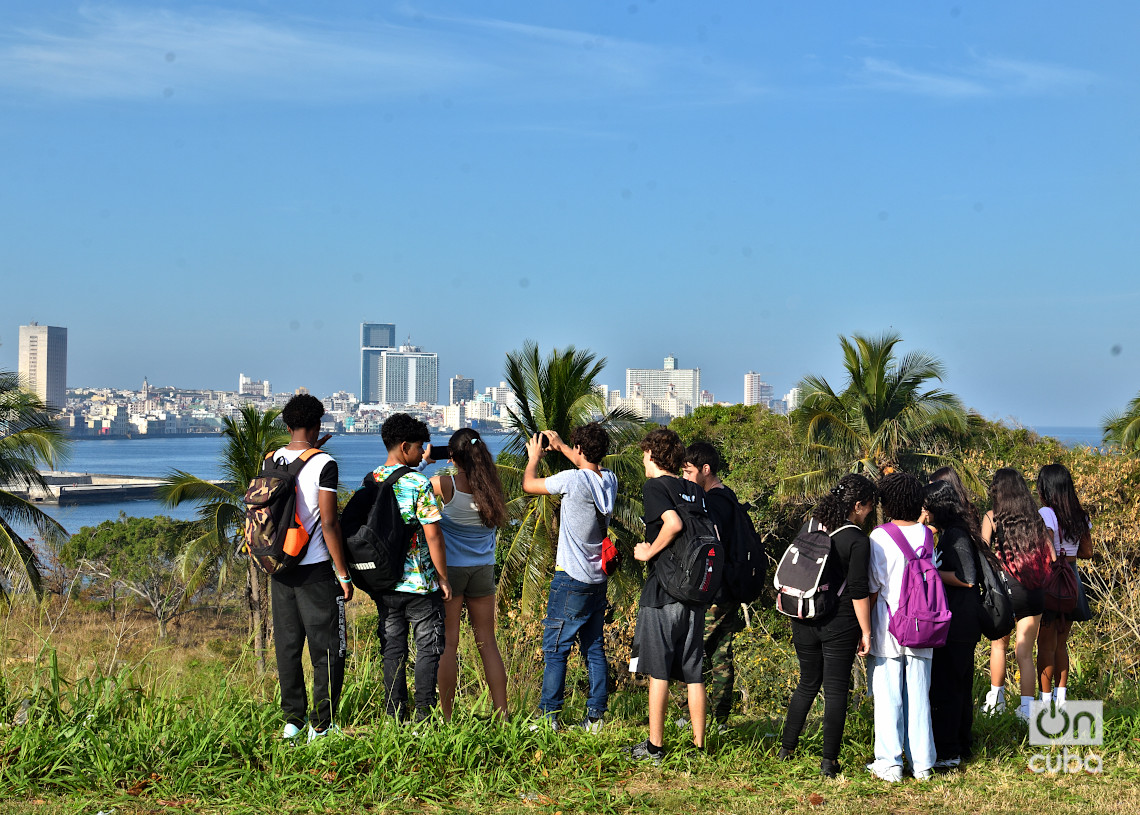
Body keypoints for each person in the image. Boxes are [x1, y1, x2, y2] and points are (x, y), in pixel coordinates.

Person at [779, 473, 877, 778]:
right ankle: (828, 762)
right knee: (836, 690)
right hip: (841, 620)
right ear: (858, 505)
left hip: (803, 615)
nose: (871, 513)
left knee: (807, 683)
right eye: (869, 507)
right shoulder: (857, 540)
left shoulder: (810, 526)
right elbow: (859, 590)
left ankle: (786, 749)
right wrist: (867, 632)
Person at [522, 422, 617, 731]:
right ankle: (596, 717)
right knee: (594, 648)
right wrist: (562, 444)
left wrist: (534, 456)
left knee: (555, 649)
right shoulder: (609, 481)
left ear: (579, 450)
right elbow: (585, 464)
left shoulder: (571, 480)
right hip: (597, 581)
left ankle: (549, 718)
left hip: (570, 579)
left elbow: (529, 484)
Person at [270, 394, 354, 741]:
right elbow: (330, 523)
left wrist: (309, 449)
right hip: (316, 568)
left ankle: (293, 721)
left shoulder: (272, 458)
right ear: (319, 424)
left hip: (279, 567)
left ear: (287, 426)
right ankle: (323, 724)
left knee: (288, 646)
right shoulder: (325, 464)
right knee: (329, 648)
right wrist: (344, 574)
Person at [628, 428, 710, 762]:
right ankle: (698, 747)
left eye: (644, 454)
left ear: (652, 454)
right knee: (693, 670)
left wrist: (649, 552)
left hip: (664, 590)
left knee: (658, 669)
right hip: (695, 590)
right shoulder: (694, 488)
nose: (643, 460)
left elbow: (672, 523)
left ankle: (655, 746)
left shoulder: (655, 486)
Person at [372, 413, 452, 722]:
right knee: (427, 648)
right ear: (405, 446)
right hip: (419, 584)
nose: (423, 453)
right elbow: (433, 536)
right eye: (419, 447)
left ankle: (395, 717)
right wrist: (442, 578)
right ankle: (424, 717)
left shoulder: (373, 478)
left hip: (385, 582)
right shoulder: (418, 483)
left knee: (393, 650)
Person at [429, 428, 509, 720]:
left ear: (453, 457)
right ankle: (502, 714)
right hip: (483, 570)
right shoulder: (493, 488)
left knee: (449, 643)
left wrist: (426, 459)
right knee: (487, 642)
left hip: (451, 572)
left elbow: (412, 485)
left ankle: (448, 717)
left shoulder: (445, 484)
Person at [866, 471, 936, 782]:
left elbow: (873, 586)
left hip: (888, 624)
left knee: (888, 694)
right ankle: (922, 764)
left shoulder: (880, 537)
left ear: (888, 503)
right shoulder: (927, 535)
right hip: (923, 623)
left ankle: (890, 763)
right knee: (920, 694)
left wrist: (863, 630)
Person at [981, 468, 1055, 720]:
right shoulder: (1035, 519)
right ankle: (1026, 710)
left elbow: (983, 554)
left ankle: (997, 701)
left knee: (998, 646)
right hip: (1033, 590)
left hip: (1006, 590)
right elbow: (1052, 556)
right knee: (1025, 652)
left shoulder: (992, 518)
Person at [681, 442, 744, 731]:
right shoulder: (728, 497)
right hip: (730, 586)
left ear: (705, 470)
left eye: (689, 471)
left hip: (713, 589)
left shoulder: (713, 503)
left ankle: (690, 717)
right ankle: (720, 719)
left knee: (692, 651)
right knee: (721, 653)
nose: (685, 478)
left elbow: (710, 547)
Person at [922, 477, 984, 772]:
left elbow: (967, 578)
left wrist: (933, 571)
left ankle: (949, 751)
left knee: (949, 688)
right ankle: (962, 744)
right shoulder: (955, 532)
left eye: (928, 507)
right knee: (958, 686)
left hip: (959, 622)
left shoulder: (956, 536)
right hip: (962, 622)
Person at [1035, 463, 1091, 708]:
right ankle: (1062, 699)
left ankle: (1045, 702)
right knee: (1061, 642)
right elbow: (1088, 552)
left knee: (1045, 644)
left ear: (1045, 488)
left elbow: (1046, 548)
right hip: (1073, 579)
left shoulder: (1046, 513)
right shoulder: (1080, 514)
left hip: (1052, 579)